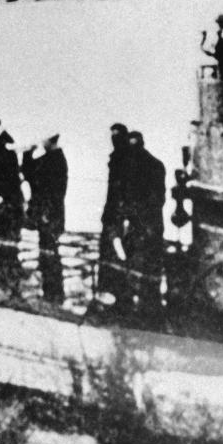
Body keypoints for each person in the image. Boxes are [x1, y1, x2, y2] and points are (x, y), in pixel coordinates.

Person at [23, 134, 67, 302]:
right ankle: (51, 292)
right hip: (47, 215)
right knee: (47, 253)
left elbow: (56, 192)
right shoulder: (50, 159)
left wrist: (46, 214)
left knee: (50, 254)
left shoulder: (56, 161)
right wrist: (28, 154)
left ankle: (54, 294)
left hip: (50, 216)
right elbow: (29, 173)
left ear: (50, 140)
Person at [99, 123, 138, 307]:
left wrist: (125, 214)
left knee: (118, 254)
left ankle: (121, 296)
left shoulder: (126, 159)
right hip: (112, 212)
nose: (113, 140)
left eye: (116, 136)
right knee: (109, 253)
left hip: (120, 214)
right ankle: (112, 294)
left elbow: (127, 190)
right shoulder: (118, 158)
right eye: (112, 136)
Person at [128, 130, 167, 314]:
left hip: (145, 223)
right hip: (150, 224)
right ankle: (150, 304)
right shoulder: (156, 165)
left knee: (142, 263)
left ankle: (144, 305)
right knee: (150, 265)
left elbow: (155, 199)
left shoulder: (140, 166)